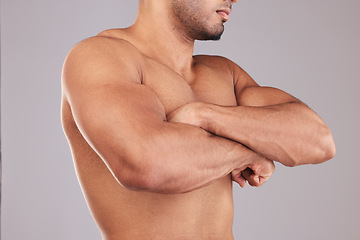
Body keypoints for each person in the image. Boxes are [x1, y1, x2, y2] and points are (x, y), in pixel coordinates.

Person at [61, 0, 336, 239]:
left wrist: (204, 114)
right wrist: (255, 147)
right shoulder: (99, 56)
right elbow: (147, 165)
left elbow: (319, 141)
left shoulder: (224, 72)